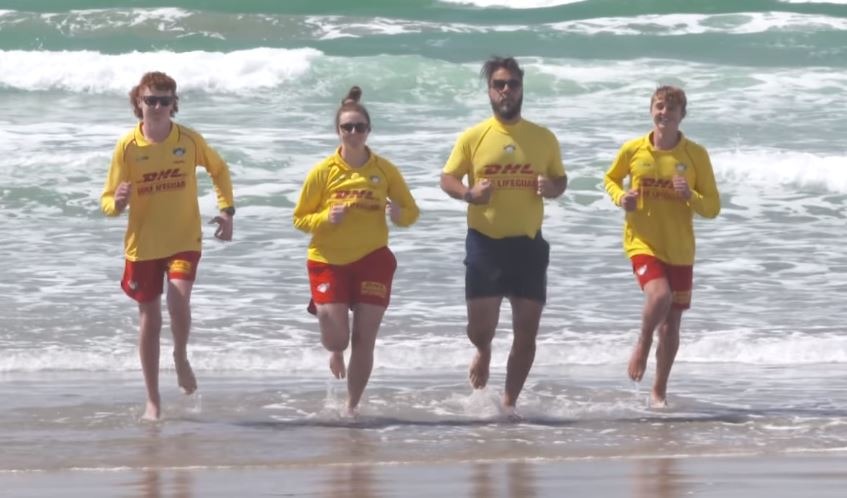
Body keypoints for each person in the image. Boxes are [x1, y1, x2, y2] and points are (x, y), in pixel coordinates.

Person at [100, 71, 235, 420]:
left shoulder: (188, 140)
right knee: (149, 320)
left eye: (165, 100)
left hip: (183, 239)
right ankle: (153, 400)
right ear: (138, 103)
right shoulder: (127, 147)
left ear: (173, 104)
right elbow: (107, 202)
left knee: (178, 297)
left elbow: (219, 170)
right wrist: (118, 200)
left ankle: (179, 355)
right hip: (143, 244)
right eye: (151, 100)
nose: (157, 107)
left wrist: (227, 210)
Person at [440, 56, 567, 415]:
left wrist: (552, 187)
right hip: (485, 243)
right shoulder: (474, 136)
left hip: (528, 244)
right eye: (499, 85)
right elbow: (447, 177)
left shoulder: (543, 138)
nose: (506, 90)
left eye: (511, 83)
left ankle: (509, 405)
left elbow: (561, 179)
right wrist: (468, 194)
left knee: (527, 333)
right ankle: (483, 350)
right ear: (489, 92)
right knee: (480, 328)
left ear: (521, 87)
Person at [293, 86, 420, 416]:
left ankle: (351, 408)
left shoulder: (384, 170)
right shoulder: (323, 172)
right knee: (339, 340)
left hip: (373, 258)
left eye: (359, 127)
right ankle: (334, 345)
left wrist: (398, 215)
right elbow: (299, 218)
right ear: (338, 131)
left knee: (365, 339)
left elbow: (411, 210)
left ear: (368, 131)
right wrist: (325, 216)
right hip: (328, 260)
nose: (353, 132)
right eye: (347, 127)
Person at [603, 85, 720, 407]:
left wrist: (690, 196)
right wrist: (620, 197)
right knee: (659, 295)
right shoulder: (633, 150)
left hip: (680, 249)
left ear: (682, 115)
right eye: (658, 107)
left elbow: (712, 207)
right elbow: (611, 179)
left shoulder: (696, 155)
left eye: (671, 108)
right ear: (651, 111)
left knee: (671, 327)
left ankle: (659, 392)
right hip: (642, 241)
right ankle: (641, 342)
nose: (663, 113)